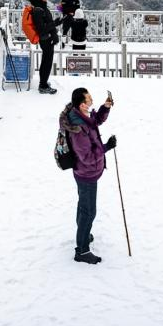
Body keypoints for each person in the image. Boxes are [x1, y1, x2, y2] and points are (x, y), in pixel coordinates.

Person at [60, 87, 115, 264]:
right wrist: (106, 147)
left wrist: (105, 107)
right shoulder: (77, 128)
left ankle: (83, 234)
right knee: (89, 212)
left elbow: (96, 121)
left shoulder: (83, 116)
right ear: (82, 104)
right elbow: (87, 156)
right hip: (86, 174)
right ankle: (82, 250)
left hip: (87, 173)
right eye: (89, 98)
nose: (92, 100)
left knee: (83, 207)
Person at [26, 0, 59, 95]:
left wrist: (56, 24)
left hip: (48, 38)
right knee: (47, 62)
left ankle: (43, 82)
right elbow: (42, 29)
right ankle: (43, 85)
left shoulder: (42, 8)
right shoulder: (38, 10)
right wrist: (55, 23)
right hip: (46, 39)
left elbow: (47, 24)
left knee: (46, 61)